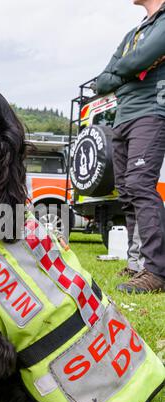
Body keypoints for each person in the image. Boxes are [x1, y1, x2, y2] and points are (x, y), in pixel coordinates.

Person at [96, 0, 165, 294]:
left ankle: (157, 270)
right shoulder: (133, 32)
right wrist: (128, 72)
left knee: (140, 184)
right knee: (125, 190)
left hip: (152, 113)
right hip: (122, 118)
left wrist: (126, 71)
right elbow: (102, 81)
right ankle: (137, 265)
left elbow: (134, 62)